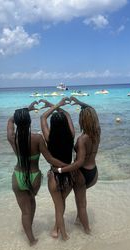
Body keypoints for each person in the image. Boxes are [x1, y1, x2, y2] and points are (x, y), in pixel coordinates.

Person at [7, 102, 66, 246]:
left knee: (25, 211)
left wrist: (26, 109)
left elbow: (10, 120)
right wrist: (69, 166)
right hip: (34, 177)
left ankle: (31, 239)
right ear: (29, 122)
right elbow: (50, 159)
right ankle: (31, 235)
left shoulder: (12, 137)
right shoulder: (37, 138)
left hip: (18, 176)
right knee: (32, 202)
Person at [53, 96, 101, 234]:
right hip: (94, 172)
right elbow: (91, 109)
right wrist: (80, 103)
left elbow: (79, 162)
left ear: (82, 120)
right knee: (81, 202)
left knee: (81, 205)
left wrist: (60, 170)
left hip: (82, 174)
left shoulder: (82, 139)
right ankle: (79, 222)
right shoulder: (97, 133)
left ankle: (87, 231)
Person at [40, 98, 75, 240]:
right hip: (69, 175)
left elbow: (43, 117)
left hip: (55, 175)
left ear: (52, 125)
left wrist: (54, 106)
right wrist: (59, 106)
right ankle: (56, 228)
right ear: (66, 125)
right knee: (61, 205)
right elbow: (68, 115)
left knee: (58, 207)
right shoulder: (71, 135)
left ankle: (63, 235)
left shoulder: (49, 137)